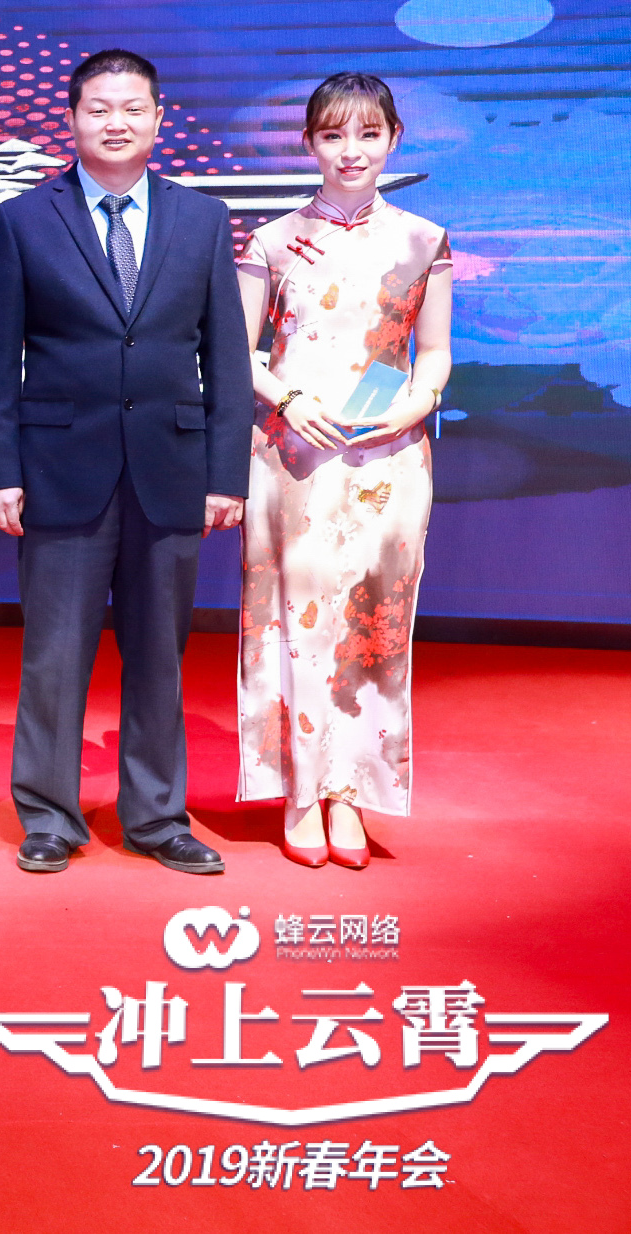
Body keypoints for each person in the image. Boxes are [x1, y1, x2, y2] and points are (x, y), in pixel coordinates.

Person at [0, 48, 251, 877]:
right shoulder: (24, 220)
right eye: (99, 109)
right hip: (59, 470)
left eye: (132, 108)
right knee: (55, 656)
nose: (116, 123)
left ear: (159, 119)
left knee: (159, 656)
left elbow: (226, 359)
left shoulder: (202, 219)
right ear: (72, 118)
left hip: (171, 470)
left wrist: (225, 475)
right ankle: (49, 816)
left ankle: (158, 817)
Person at [236, 73, 451, 869]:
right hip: (293, 454)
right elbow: (237, 350)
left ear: (394, 138)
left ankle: (350, 793)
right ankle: (299, 791)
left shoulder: (425, 240)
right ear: (309, 144)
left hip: (389, 456)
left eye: (367, 133)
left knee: (373, 620)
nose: (350, 151)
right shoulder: (271, 241)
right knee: (292, 619)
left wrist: (417, 403)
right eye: (333, 135)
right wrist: (288, 399)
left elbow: (434, 353)